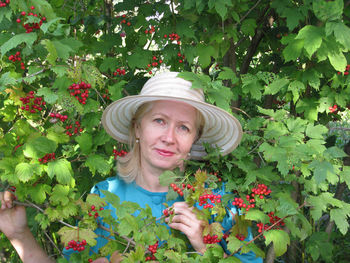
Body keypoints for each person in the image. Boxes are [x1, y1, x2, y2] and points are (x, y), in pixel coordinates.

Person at [0, 71, 262, 263]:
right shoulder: (102, 197)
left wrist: (205, 247)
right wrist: (19, 234)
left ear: (194, 139)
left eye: (184, 127)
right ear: (137, 127)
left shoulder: (219, 202)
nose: (169, 137)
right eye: (159, 120)